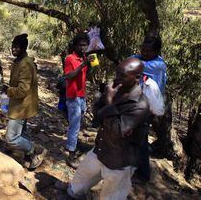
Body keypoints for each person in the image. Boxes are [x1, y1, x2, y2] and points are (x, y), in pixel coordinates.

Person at [64, 58, 150, 199]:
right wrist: (103, 98)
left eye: (123, 75)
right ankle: (74, 194)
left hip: (120, 161)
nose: (117, 78)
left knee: (111, 195)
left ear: (137, 77)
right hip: (101, 148)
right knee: (78, 182)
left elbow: (117, 130)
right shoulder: (115, 89)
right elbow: (97, 114)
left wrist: (109, 102)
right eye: (117, 73)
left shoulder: (141, 104)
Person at [2, 34, 47, 169]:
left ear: (23, 48)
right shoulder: (18, 62)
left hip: (21, 107)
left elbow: (22, 90)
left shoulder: (25, 64)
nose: (13, 50)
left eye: (16, 47)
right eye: (12, 47)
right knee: (21, 133)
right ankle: (29, 155)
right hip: (20, 104)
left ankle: (36, 149)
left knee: (11, 138)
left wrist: (8, 90)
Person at [132, 35, 167, 183]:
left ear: (157, 51)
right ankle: (134, 166)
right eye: (143, 50)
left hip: (147, 107)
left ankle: (144, 174)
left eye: (148, 51)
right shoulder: (144, 59)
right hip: (138, 103)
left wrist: (134, 59)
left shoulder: (157, 65)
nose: (144, 53)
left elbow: (132, 63)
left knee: (141, 139)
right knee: (137, 136)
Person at [64, 33, 95, 168]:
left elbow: (84, 76)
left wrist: (90, 65)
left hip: (81, 96)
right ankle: (70, 154)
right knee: (74, 125)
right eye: (80, 45)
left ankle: (74, 145)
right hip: (73, 96)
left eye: (85, 45)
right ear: (75, 45)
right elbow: (69, 76)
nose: (83, 48)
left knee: (77, 123)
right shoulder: (70, 58)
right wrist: (83, 64)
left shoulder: (84, 58)